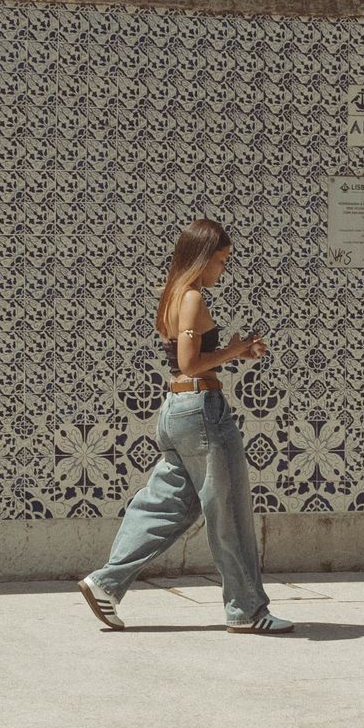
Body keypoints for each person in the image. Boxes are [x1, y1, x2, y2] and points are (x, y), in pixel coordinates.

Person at [78, 219, 295, 635]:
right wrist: (234, 350)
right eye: (220, 260)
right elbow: (189, 363)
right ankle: (248, 611)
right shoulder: (193, 296)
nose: (222, 270)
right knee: (228, 512)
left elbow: (185, 360)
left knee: (166, 503)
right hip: (202, 411)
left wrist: (236, 353)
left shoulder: (171, 295)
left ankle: (105, 583)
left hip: (177, 410)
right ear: (201, 256)